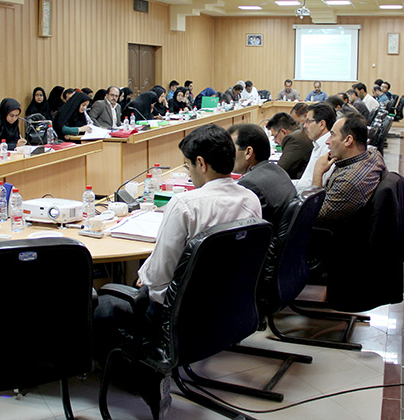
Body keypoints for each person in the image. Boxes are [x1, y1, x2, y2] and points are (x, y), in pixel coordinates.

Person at [93, 124, 261, 419]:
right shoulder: (250, 199)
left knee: (102, 303)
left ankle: (137, 376)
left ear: (201, 163)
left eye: (187, 166)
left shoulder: (185, 204)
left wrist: (142, 277)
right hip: (226, 310)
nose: (188, 173)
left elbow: (157, 278)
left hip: (177, 319)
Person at [313, 113, 386, 222]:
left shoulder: (348, 180)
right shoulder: (373, 154)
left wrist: (318, 172)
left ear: (348, 140)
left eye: (332, 135)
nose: (327, 141)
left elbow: (313, 213)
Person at [228, 123, 296, 225]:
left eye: (231, 149)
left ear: (248, 152)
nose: (227, 154)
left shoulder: (250, 184)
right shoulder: (277, 170)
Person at [294, 102, 336, 192]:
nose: (305, 126)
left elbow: (318, 188)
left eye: (308, 121)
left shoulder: (328, 148)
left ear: (322, 124)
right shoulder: (318, 144)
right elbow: (306, 181)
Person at [265, 112, 313, 179]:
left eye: (275, 136)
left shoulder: (294, 139)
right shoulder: (300, 131)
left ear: (283, 132)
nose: (275, 141)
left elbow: (279, 171)